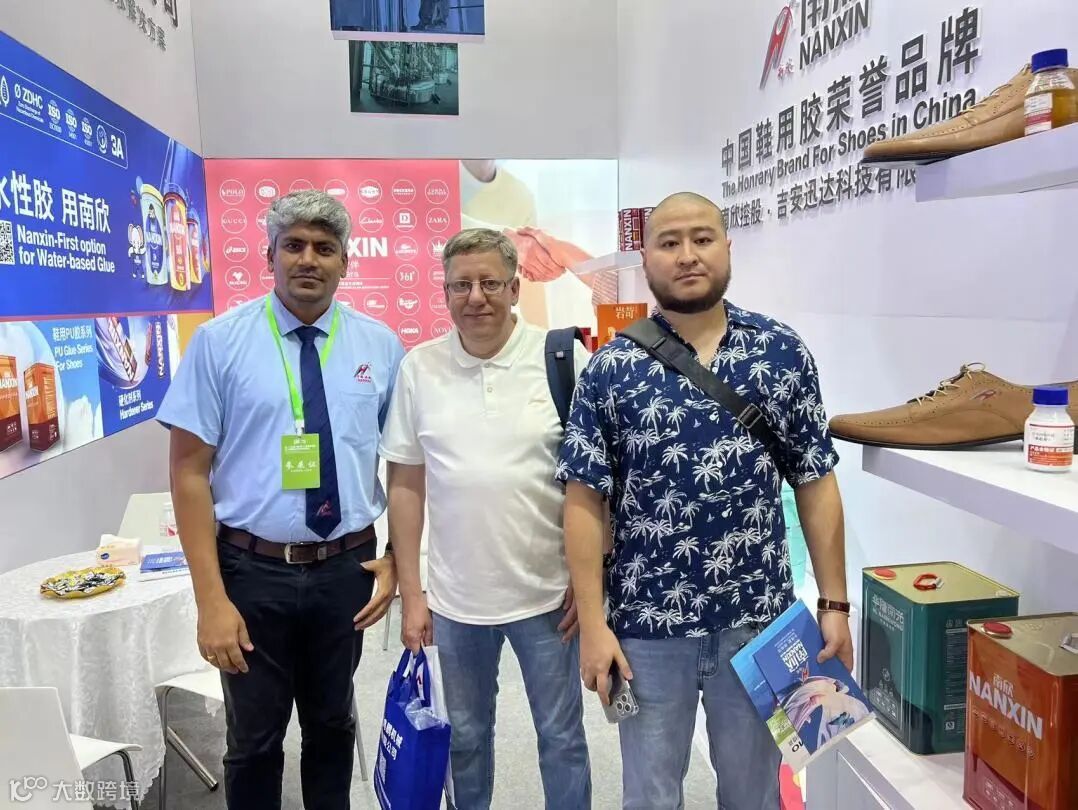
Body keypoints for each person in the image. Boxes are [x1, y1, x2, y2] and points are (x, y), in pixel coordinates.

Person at [557, 192, 852, 810]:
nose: (687, 255)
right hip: (646, 629)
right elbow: (583, 500)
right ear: (646, 257)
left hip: (758, 623)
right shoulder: (611, 368)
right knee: (650, 796)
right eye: (668, 243)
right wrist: (593, 624)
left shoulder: (781, 352)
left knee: (753, 795)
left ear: (727, 247)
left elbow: (815, 480)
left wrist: (834, 603)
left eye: (702, 238)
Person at [157, 190, 404, 810]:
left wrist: (398, 557)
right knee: (253, 741)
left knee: (334, 726)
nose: (308, 259)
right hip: (251, 571)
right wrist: (210, 600)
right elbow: (188, 473)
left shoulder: (380, 347)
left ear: (345, 262)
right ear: (269, 256)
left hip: (346, 569)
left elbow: (406, 466)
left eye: (324, 248)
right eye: (293, 245)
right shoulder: (219, 343)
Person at [379, 228, 592, 809]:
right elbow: (406, 486)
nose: (476, 297)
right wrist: (413, 595)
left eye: (490, 283)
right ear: (445, 292)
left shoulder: (561, 358)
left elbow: (597, 482)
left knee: (562, 739)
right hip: (456, 602)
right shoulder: (419, 369)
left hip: (549, 597)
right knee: (467, 740)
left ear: (516, 288)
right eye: (461, 285)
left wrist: (587, 578)